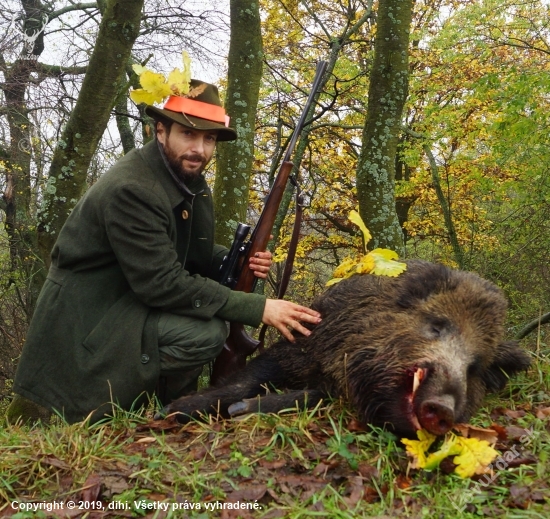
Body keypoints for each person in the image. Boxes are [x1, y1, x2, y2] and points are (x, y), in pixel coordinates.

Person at [7, 80, 321, 424]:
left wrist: (233, 261)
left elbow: (185, 250)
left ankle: (173, 412)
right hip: (92, 316)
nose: (199, 149)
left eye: (209, 138)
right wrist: (258, 308)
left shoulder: (186, 179)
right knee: (205, 333)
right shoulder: (134, 190)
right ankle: (140, 412)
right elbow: (162, 282)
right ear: (160, 131)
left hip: (127, 299)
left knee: (204, 319)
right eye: (188, 134)